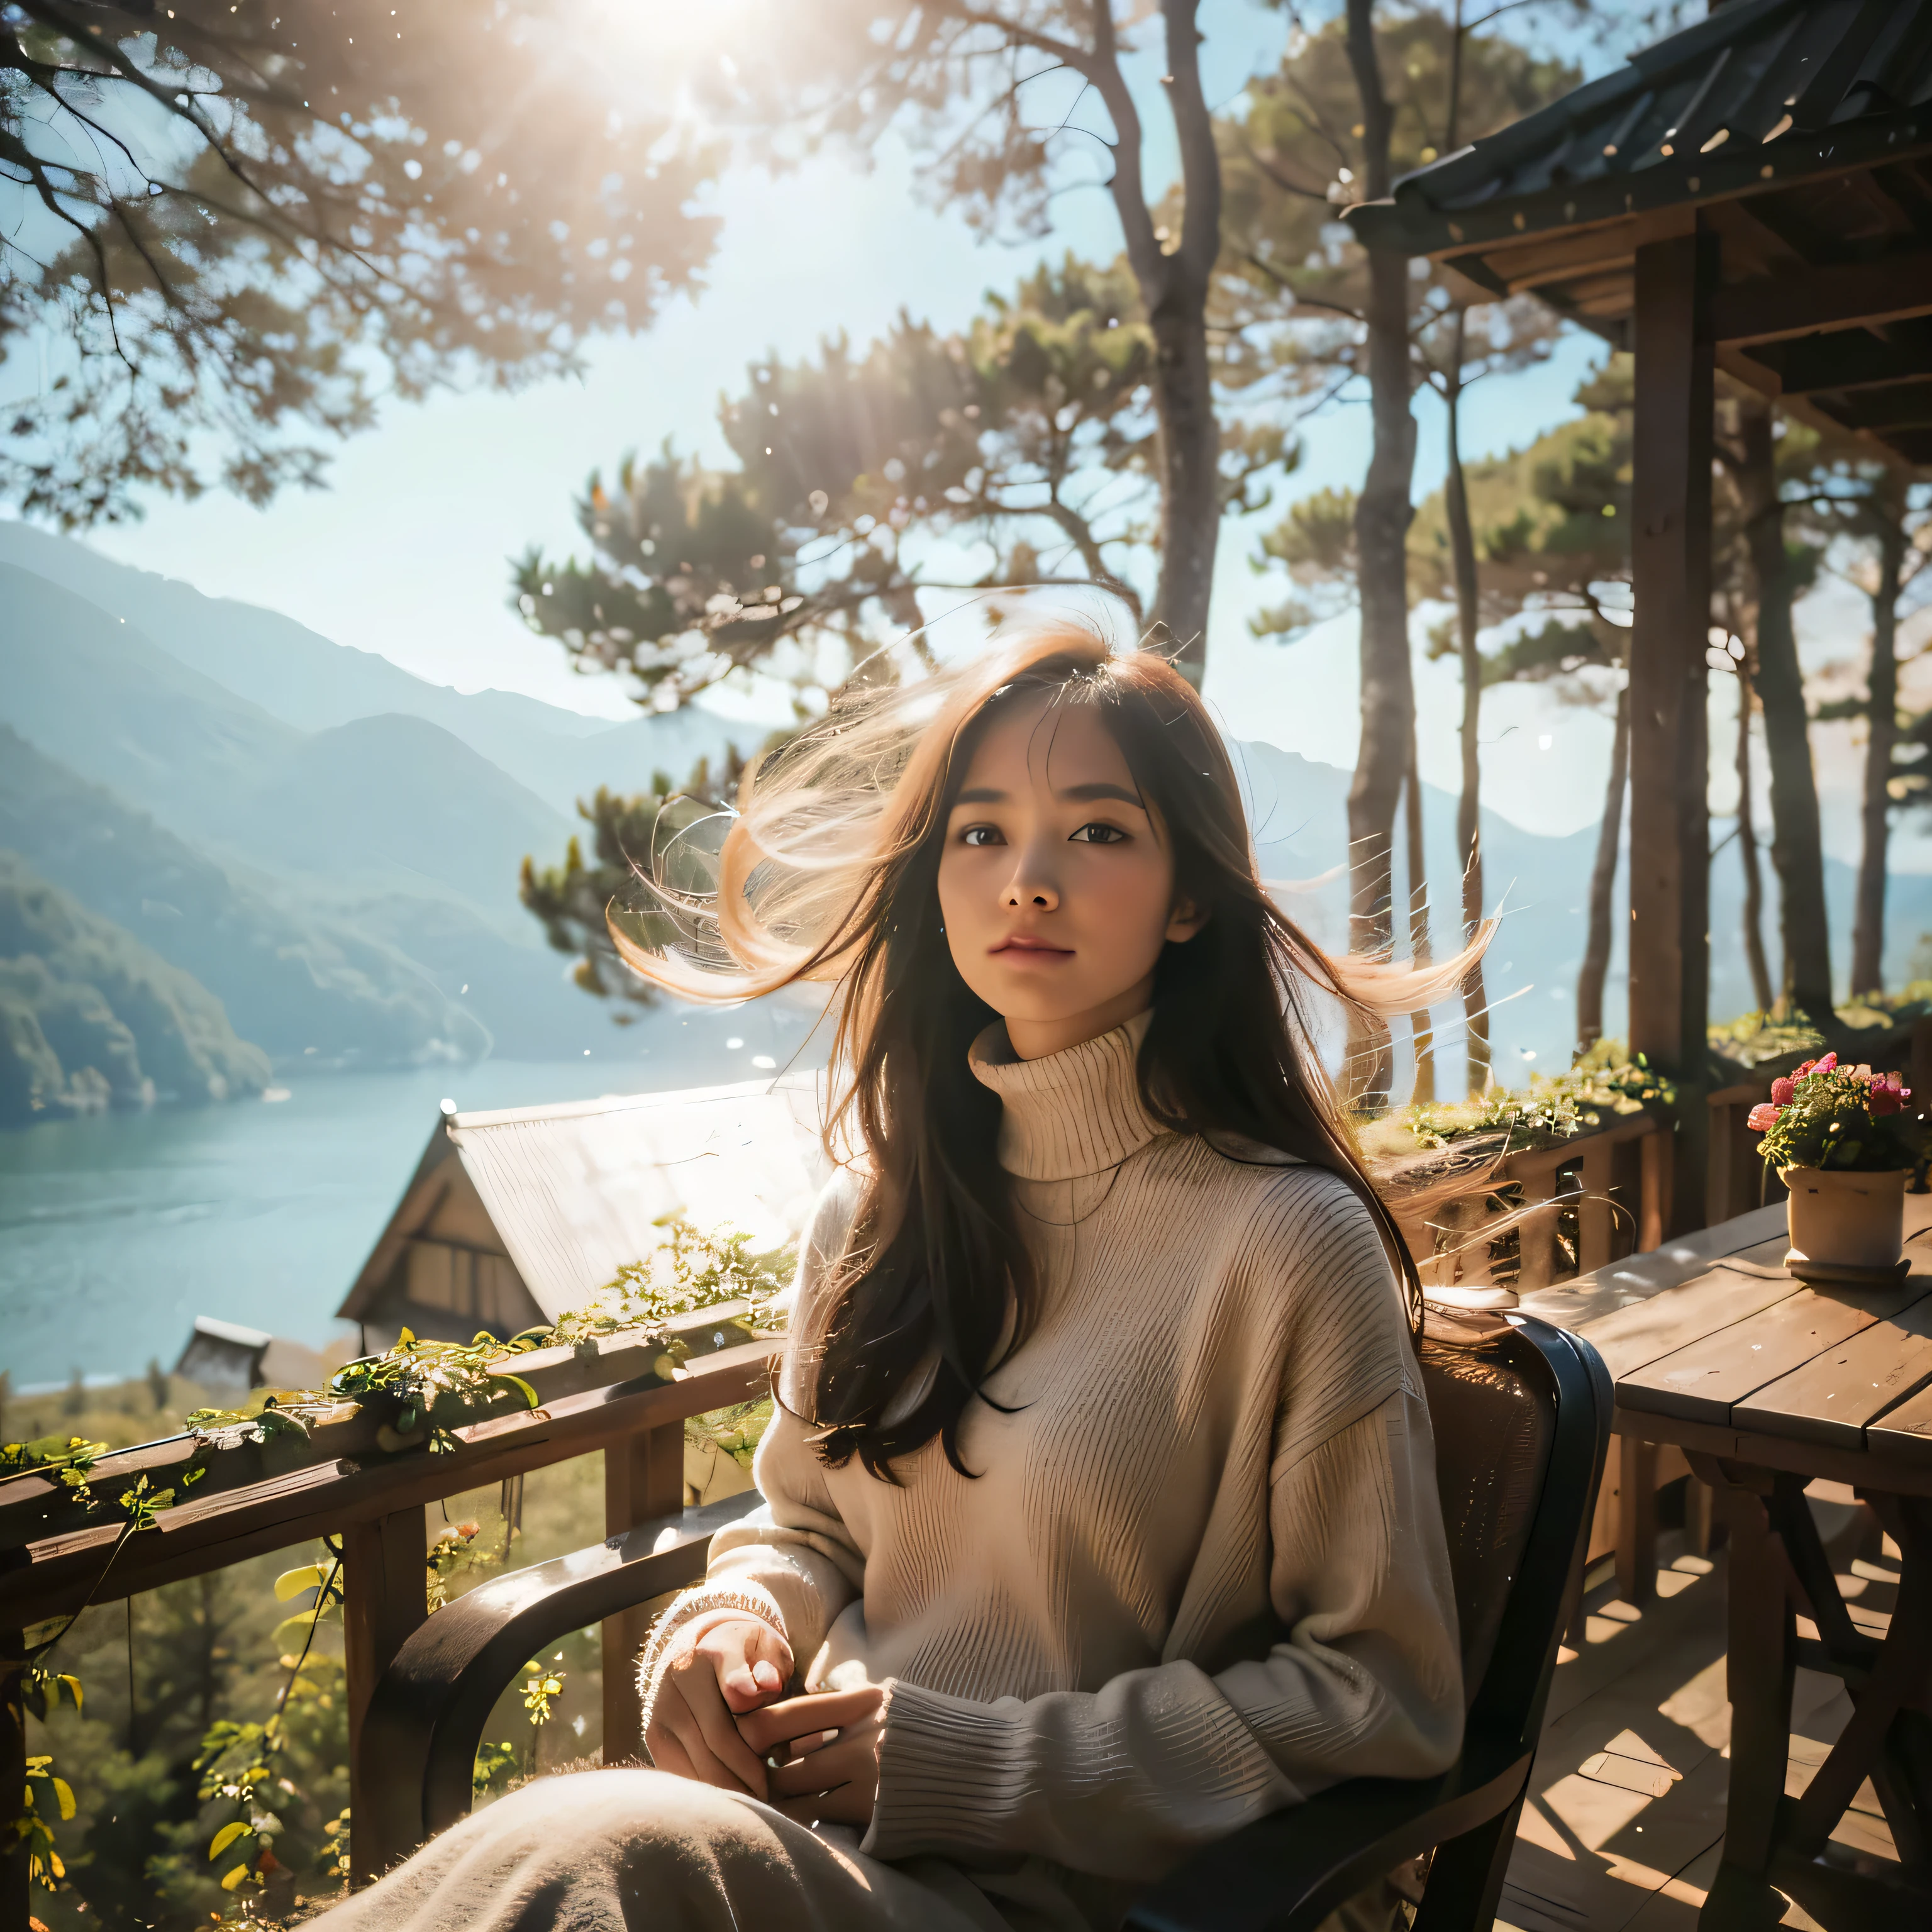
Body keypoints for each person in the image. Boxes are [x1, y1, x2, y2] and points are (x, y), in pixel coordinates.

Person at [314, 621, 1480, 1932]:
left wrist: (977, 1770)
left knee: (601, 1848)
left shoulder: (1285, 1244)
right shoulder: (875, 1208)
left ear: (1190, 894)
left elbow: (1384, 1694)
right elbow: (804, 1525)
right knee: (574, 1849)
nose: (1026, 879)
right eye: (981, 833)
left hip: (1075, 1904)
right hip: (814, 1840)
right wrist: (731, 1625)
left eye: (1099, 832)